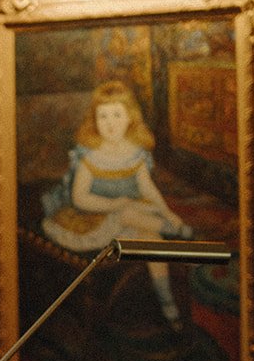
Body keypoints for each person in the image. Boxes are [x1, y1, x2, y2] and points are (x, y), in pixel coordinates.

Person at [41, 80, 194, 325]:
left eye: (116, 115)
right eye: (103, 116)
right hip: (89, 219)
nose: (110, 123)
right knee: (129, 212)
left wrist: (168, 212)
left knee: (152, 238)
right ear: (94, 120)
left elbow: (147, 188)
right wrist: (116, 205)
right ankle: (174, 231)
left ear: (129, 118)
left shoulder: (134, 151)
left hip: (127, 213)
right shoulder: (90, 153)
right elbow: (80, 199)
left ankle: (167, 302)